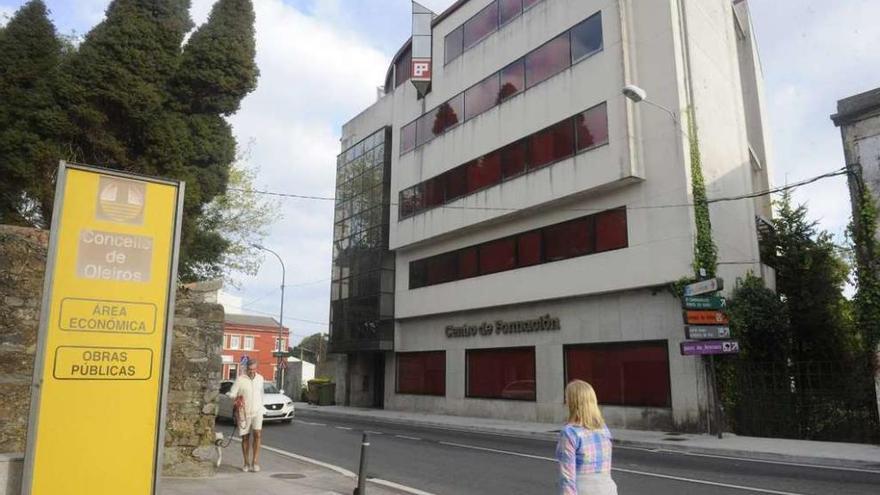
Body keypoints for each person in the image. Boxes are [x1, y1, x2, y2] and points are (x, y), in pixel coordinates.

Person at [556, 380, 618, 495]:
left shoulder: (570, 432)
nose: (565, 401)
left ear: (572, 402)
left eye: (567, 398)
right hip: (608, 489)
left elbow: (567, 476)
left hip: (583, 489)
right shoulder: (603, 429)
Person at [228, 358, 265, 472]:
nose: (252, 371)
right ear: (246, 368)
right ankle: (246, 462)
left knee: (257, 434)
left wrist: (262, 407)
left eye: (254, 369)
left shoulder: (260, 378)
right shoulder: (240, 379)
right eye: (250, 369)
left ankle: (255, 462)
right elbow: (232, 392)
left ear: (256, 368)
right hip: (243, 412)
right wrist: (234, 397)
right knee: (245, 437)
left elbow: (261, 394)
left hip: (257, 411)